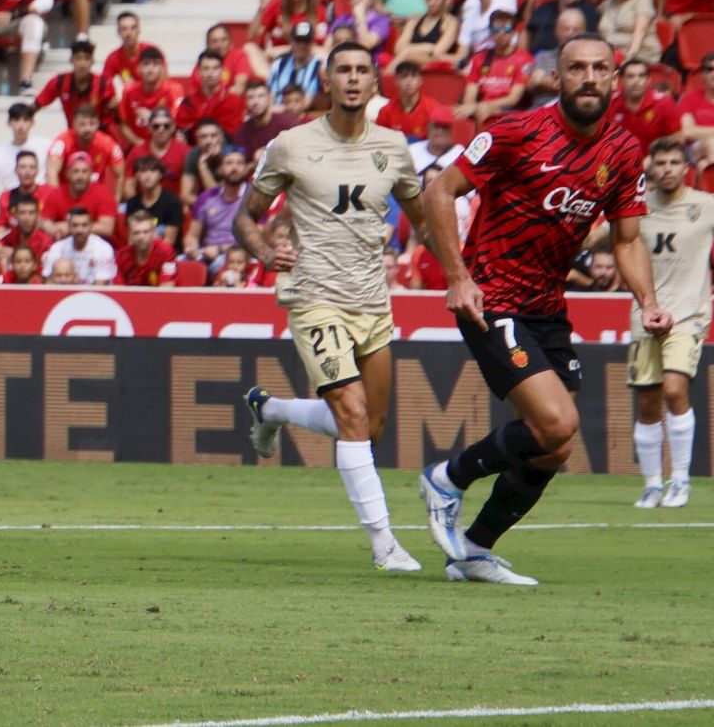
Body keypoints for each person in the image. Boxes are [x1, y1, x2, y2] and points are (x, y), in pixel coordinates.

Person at [419, 32, 666, 585]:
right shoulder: (515, 131)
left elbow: (626, 240)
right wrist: (457, 278)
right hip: (491, 296)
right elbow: (439, 192)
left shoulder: (623, 152)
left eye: (600, 68)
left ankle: (475, 549)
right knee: (558, 421)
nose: (588, 77)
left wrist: (648, 302)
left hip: (547, 307)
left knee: (553, 447)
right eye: (576, 68)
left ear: (615, 77)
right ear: (557, 78)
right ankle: (446, 478)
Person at [237, 42, 429, 573]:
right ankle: (384, 544)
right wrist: (263, 250)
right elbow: (245, 218)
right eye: (341, 69)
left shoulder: (394, 147)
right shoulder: (291, 145)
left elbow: (426, 221)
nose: (351, 78)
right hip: (313, 296)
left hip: (372, 300)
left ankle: (271, 409)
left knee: (370, 427)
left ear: (374, 84)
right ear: (327, 80)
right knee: (352, 412)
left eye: (361, 70)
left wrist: (460, 275)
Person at [630, 139, 709, 509]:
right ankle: (651, 484)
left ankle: (680, 480)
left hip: (688, 316)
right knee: (647, 401)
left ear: (685, 168)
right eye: (660, 162)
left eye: (674, 162)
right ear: (651, 168)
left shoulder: (705, 206)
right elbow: (603, 239)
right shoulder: (637, 209)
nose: (667, 169)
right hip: (644, 315)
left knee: (675, 389)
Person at [184, 147, 249, 266]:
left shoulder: (253, 196)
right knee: (179, 263)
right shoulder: (206, 197)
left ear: (245, 169)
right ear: (221, 169)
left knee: (219, 264)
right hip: (207, 252)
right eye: (229, 163)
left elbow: (259, 237)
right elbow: (192, 235)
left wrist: (220, 249)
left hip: (240, 255)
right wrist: (192, 248)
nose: (234, 168)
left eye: (239, 163)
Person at [0, 102, 48, 197]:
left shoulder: (46, 145)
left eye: (26, 120)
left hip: (40, 201)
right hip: (11, 203)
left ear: (32, 123)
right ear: (9, 123)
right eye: (16, 120)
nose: (21, 125)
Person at [607, 60, 681, 149]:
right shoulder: (610, 103)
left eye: (641, 76)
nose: (636, 81)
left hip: (653, 160)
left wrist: (654, 157)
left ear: (648, 80)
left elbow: (677, 138)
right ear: (621, 80)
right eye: (630, 76)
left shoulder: (664, 103)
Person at [42, 206, 116, 285]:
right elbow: (48, 281)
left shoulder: (103, 248)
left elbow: (101, 285)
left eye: (84, 225)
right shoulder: (57, 248)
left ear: (91, 226)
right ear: (69, 226)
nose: (79, 230)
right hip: (64, 294)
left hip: (93, 295)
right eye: (75, 225)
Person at [122, 156, 183, 245]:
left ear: (160, 175)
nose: (148, 175)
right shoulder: (132, 203)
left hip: (166, 255)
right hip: (140, 253)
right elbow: (132, 239)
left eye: (153, 171)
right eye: (143, 171)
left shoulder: (172, 202)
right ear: (136, 176)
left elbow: (169, 241)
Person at [115, 210, 178, 286]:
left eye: (146, 232)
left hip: (161, 296)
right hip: (131, 297)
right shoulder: (121, 256)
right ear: (130, 234)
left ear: (153, 232)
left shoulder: (166, 252)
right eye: (136, 233)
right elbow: (118, 289)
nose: (141, 237)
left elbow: (167, 287)